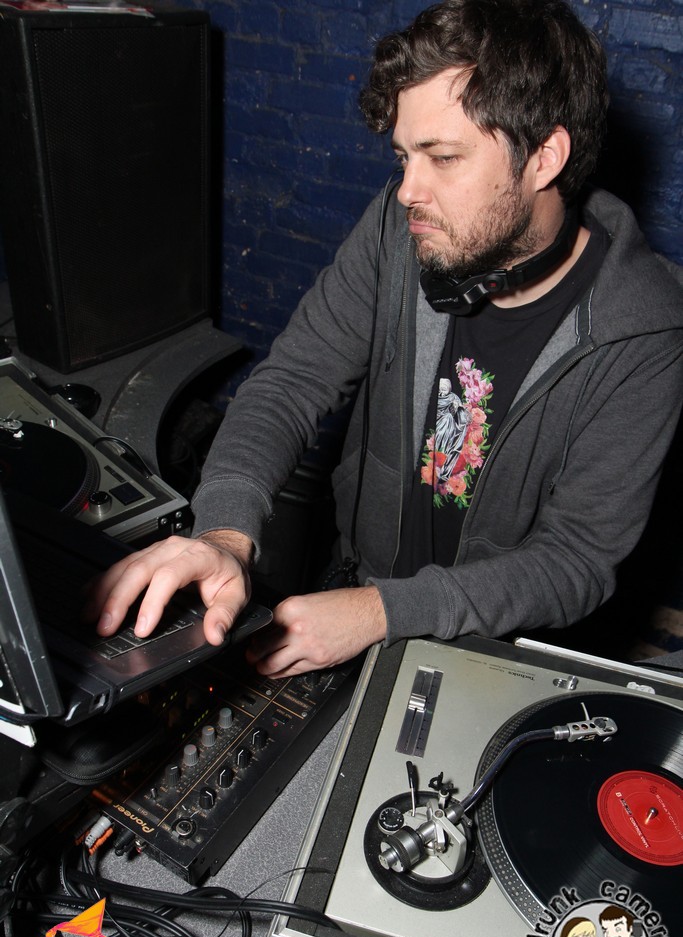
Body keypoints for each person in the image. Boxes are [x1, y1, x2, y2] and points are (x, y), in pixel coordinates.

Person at [87, 0, 683, 680]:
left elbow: (574, 560)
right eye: (403, 156)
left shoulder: (644, 329)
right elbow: (292, 382)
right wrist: (225, 533)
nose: (406, 191)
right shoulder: (398, 233)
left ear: (544, 157)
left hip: (494, 650)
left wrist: (382, 612)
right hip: (354, 581)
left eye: (443, 157)